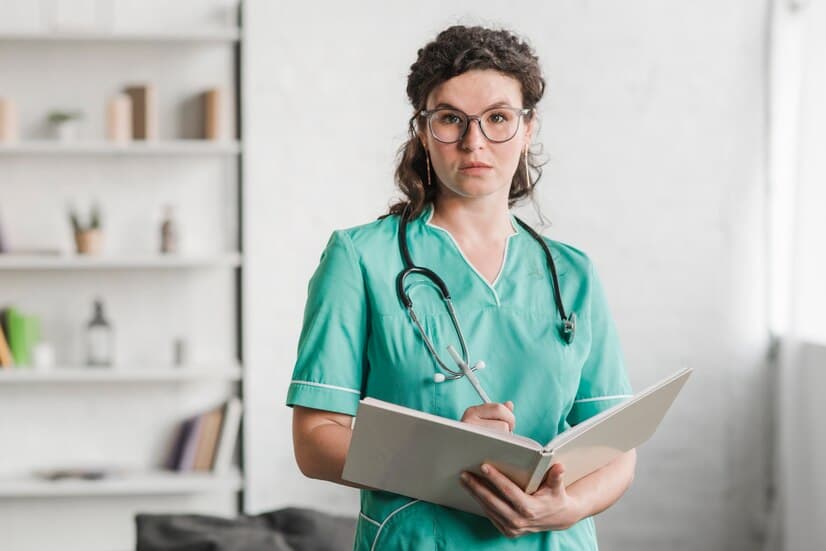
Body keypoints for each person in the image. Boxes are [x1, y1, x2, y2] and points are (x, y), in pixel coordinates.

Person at [287, 25, 636, 550]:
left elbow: (616, 448)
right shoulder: (360, 259)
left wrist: (565, 506)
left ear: (527, 128)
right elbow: (315, 442)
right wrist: (445, 458)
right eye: (451, 119)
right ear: (424, 130)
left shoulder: (573, 274)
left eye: (497, 118)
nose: (475, 142)